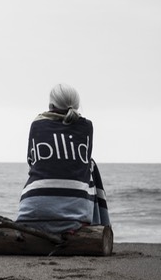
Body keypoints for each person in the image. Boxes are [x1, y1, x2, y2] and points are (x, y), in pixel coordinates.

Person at [15, 84, 111, 234]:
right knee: (90, 166)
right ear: (77, 105)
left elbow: (31, 161)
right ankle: (99, 224)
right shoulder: (86, 126)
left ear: (51, 105)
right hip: (75, 218)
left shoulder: (37, 124)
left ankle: (40, 209)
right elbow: (83, 162)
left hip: (30, 214)